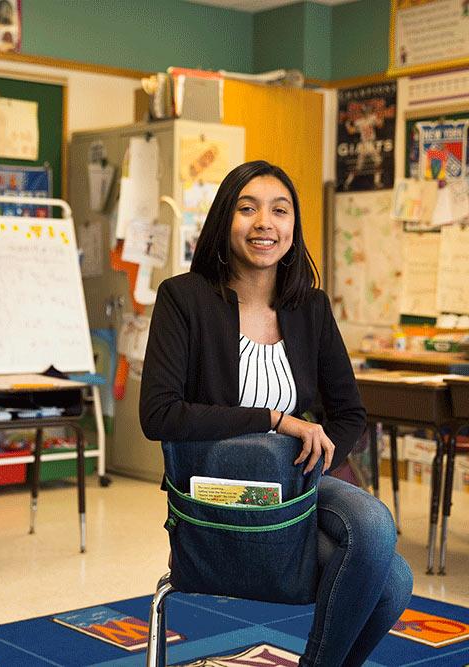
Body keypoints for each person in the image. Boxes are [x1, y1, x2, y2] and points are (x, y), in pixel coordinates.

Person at [140, 160, 412, 667]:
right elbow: (159, 415)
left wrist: (318, 456)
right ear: (225, 220)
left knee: (385, 554)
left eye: (279, 211)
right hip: (218, 492)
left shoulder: (310, 306)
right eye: (248, 208)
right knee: (387, 572)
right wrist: (274, 419)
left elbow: (349, 412)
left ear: (293, 227)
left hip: (295, 482)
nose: (265, 222)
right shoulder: (183, 299)